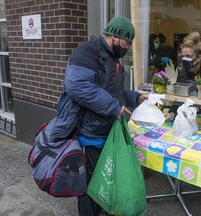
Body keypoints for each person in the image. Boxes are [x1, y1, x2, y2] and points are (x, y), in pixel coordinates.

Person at [44, 16, 148, 216]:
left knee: (105, 178)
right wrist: (113, 107)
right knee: (91, 182)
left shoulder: (113, 58)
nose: (128, 47)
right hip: (92, 133)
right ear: (116, 36)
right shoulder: (87, 52)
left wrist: (136, 97)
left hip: (108, 132)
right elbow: (77, 86)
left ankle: (103, 209)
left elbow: (114, 91)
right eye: (127, 42)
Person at [165, 32, 201, 181]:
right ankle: (180, 169)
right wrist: (172, 113)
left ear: (199, 57)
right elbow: (179, 97)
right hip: (186, 115)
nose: (184, 60)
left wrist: (196, 108)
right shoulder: (184, 71)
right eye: (182, 56)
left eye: (188, 56)